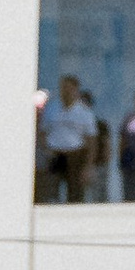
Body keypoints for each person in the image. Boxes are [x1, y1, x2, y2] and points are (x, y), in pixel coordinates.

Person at [37, 74, 98, 205]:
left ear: (76, 90)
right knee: (51, 192)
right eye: (64, 88)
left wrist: (88, 165)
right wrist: (46, 149)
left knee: (75, 194)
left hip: (75, 155)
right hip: (54, 155)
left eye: (70, 88)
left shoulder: (84, 113)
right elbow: (42, 132)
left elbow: (92, 141)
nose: (66, 91)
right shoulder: (52, 109)